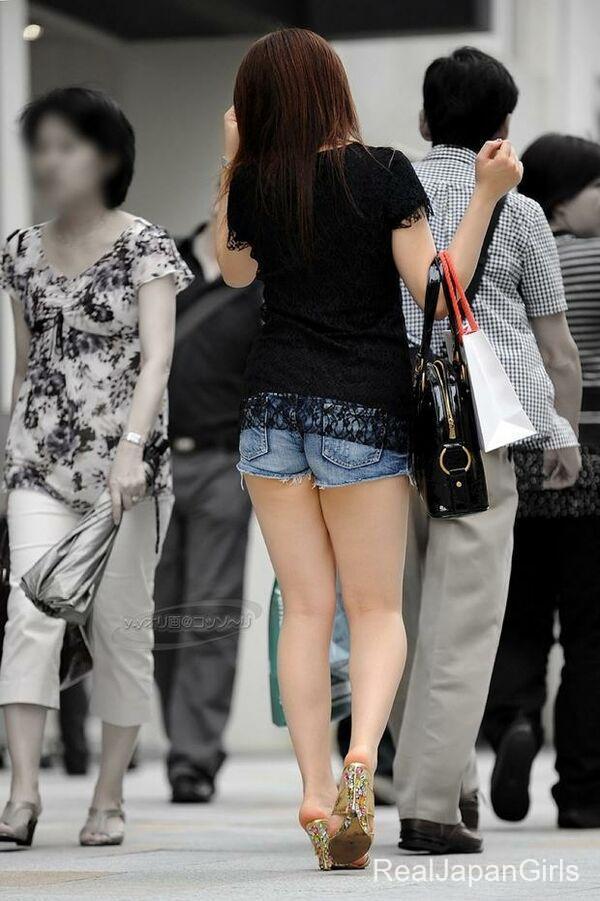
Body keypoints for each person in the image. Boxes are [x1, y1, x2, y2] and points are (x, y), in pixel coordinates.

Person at [215, 28, 521, 870]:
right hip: (361, 415)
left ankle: (316, 792)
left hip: (271, 415)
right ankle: (360, 760)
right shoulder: (383, 171)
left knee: (305, 609)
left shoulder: (257, 184)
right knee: (377, 611)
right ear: (333, 87)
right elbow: (438, 296)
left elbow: (233, 273)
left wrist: (232, 162)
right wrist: (486, 196)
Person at [390, 47, 582, 854]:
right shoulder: (521, 212)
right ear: (504, 126)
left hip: (385, 426)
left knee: (396, 618)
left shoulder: (387, 192)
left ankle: (446, 780)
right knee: (463, 621)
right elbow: (555, 346)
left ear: (424, 118)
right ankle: (431, 803)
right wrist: (562, 429)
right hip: (475, 430)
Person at [0, 87, 191, 847]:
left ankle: (108, 796)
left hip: (124, 476)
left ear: (107, 157)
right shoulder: (19, 251)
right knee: (29, 615)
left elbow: (158, 360)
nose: (49, 161)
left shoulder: (147, 245)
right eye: (41, 147)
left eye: (67, 146)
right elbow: (25, 366)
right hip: (39, 463)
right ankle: (22, 795)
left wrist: (131, 450)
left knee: (120, 630)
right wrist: (6, 466)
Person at [483, 133, 600, 829]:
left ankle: (514, 721)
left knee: (519, 615)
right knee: (591, 634)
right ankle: (583, 789)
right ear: (561, 196)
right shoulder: (592, 258)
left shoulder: (514, 248)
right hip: (594, 458)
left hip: (523, 455)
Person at [153, 221, 261, 804]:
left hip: (224, 465)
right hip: (154, 465)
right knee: (160, 612)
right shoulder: (162, 264)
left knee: (211, 613)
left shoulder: (263, 282)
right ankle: (184, 738)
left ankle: (192, 757)